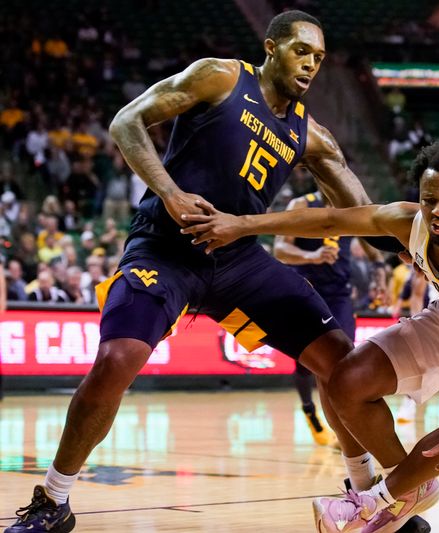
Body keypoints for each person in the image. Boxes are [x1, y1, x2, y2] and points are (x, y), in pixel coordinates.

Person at [4, 11, 402, 533]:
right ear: (271, 47)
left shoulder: (313, 136)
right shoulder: (221, 76)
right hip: (165, 249)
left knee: (343, 365)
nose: (311, 64)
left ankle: (365, 495)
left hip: (237, 260)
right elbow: (127, 122)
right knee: (116, 360)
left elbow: (367, 219)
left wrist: (428, 238)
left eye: (320, 58)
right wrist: (167, 192)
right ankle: (54, 500)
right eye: (301, 50)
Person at [181, 139, 439, 533]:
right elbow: (331, 221)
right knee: (345, 380)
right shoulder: (409, 221)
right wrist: (244, 226)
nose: (438, 210)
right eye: (430, 199)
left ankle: (376, 502)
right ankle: (411, 490)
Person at [274, 190, 353, 447]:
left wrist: (378, 273)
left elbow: (368, 244)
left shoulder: (350, 207)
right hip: (307, 289)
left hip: (340, 293)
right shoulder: (302, 203)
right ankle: (309, 410)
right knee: (306, 362)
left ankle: (344, 425)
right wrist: (313, 256)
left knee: (345, 359)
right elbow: (280, 249)